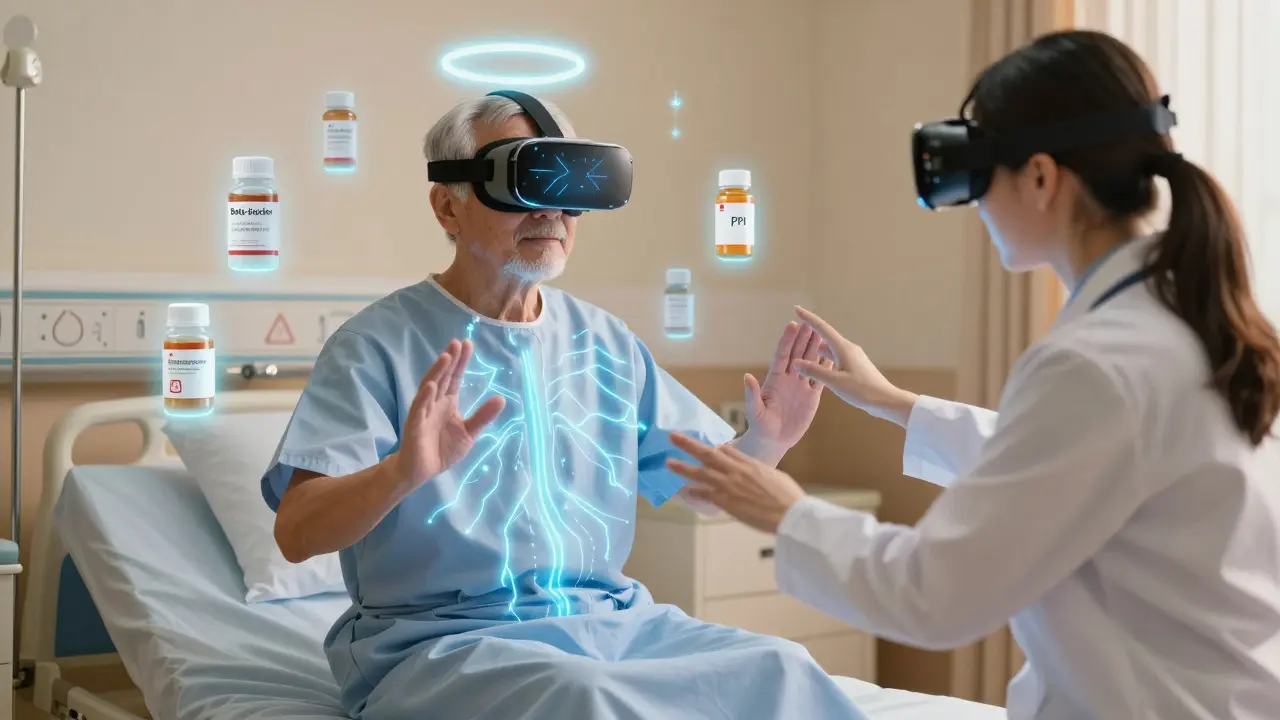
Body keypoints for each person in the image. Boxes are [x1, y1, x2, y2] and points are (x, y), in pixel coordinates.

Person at [665, 30, 1280, 720]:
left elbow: (934, 595)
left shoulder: (1096, 363)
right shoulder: (1183, 325)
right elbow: (1067, 469)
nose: (978, 209)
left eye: (981, 181)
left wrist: (782, 508)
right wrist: (892, 402)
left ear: (1042, 178)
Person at [260, 93, 864, 720]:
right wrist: (401, 473)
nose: (552, 211)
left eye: (572, 187)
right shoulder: (375, 346)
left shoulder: (605, 342)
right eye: (525, 182)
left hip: (610, 625)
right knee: (586, 699)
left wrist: (769, 441)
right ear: (449, 203)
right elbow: (298, 532)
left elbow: (703, 485)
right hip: (438, 643)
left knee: (782, 669)